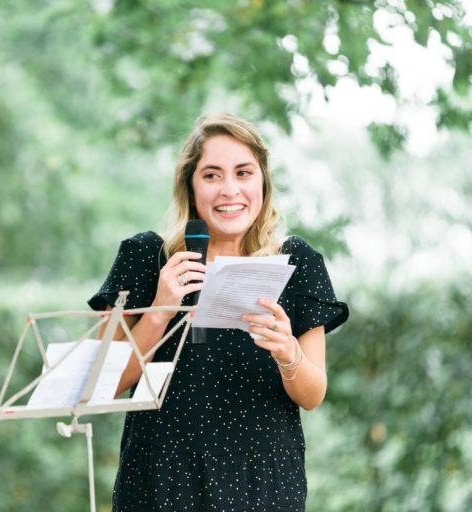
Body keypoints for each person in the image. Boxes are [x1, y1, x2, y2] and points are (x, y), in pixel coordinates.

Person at [89, 113, 349, 511]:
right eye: (212, 175)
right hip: (161, 481)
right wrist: (159, 311)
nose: (230, 190)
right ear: (191, 187)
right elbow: (97, 386)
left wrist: (287, 353)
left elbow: (313, 394)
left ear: (262, 181)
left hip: (264, 484)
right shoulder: (146, 257)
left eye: (243, 173)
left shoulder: (297, 262)